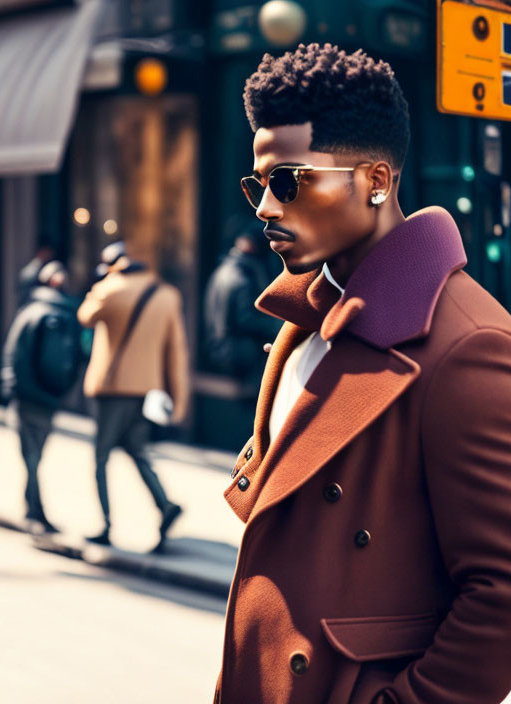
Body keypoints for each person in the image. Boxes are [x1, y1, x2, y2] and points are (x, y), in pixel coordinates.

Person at [217, 43, 511, 704]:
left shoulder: (468, 347)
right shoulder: (304, 321)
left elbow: (502, 594)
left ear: (375, 181)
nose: (265, 206)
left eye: (287, 180)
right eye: (257, 183)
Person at [77, 248, 189, 553]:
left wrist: (102, 281)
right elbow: (176, 352)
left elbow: (85, 315)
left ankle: (105, 525)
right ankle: (165, 505)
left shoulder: (110, 289)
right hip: (146, 390)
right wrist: (179, 401)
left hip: (111, 390)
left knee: (101, 457)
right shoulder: (167, 295)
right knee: (138, 451)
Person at [0, 261, 82, 534]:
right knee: (36, 456)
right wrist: (61, 391)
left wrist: (11, 386)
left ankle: (36, 512)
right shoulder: (71, 315)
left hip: (27, 396)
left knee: (31, 456)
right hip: (50, 398)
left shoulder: (30, 311)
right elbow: (79, 356)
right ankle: (34, 508)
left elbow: (14, 351)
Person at [203, 214, 281, 382]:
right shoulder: (242, 275)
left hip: (219, 349)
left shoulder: (224, 269)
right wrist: (279, 325)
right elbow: (246, 319)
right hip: (237, 356)